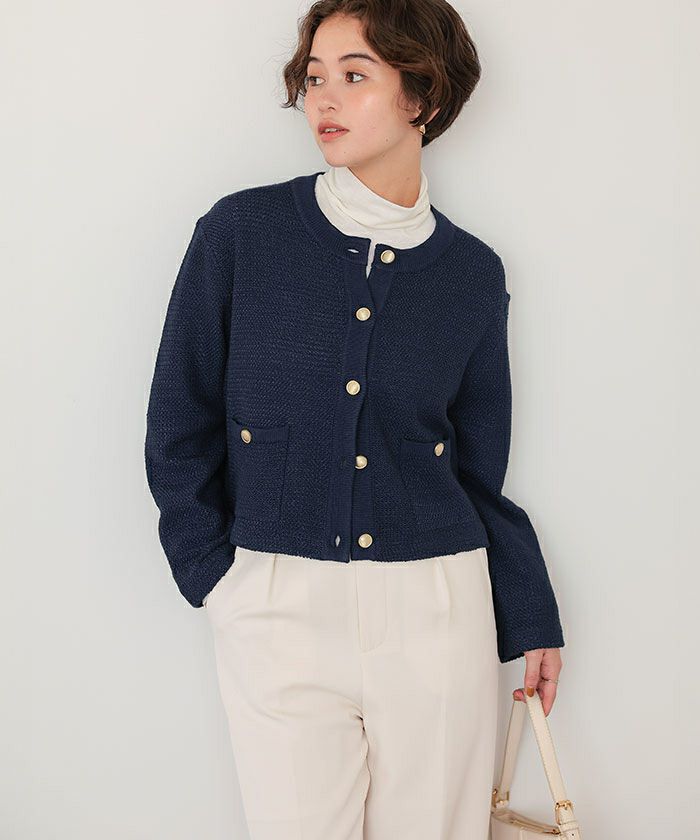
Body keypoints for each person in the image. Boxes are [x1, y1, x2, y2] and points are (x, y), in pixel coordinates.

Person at [144, 2, 565, 838]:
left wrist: (527, 610)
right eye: (314, 78)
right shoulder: (241, 235)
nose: (324, 99)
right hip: (276, 605)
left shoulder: (472, 275)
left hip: (437, 609)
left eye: (354, 75)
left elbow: (476, 467)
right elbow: (178, 420)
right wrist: (218, 580)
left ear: (423, 97)